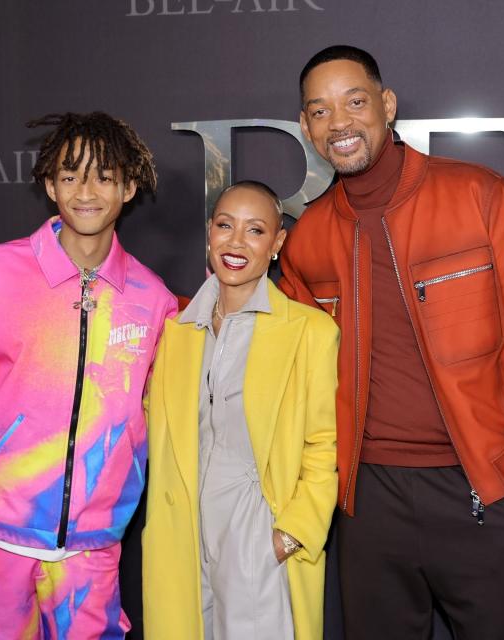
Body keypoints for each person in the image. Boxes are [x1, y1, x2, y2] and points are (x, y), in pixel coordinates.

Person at [279, 46, 504, 639]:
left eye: (355, 101)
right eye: (320, 111)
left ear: (387, 106)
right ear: (306, 127)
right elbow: (289, 360)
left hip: (485, 487)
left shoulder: (478, 195)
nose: (339, 123)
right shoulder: (308, 238)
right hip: (368, 503)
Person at [0, 112, 178, 639]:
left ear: (129, 187)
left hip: (92, 553)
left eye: (104, 175)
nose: (86, 190)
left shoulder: (153, 301)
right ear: (50, 183)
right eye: (71, 173)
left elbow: (158, 424)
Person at [141, 181, 339, 640]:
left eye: (255, 230)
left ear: (277, 244)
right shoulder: (175, 332)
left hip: (257, 530)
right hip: (182, 531)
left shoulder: (309, 332)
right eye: (225, 225)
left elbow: (323, 444)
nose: (236, 242)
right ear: (209, 233)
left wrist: (289, 535)